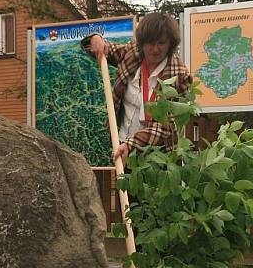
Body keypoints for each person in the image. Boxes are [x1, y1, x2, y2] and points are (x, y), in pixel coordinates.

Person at [81, 12, 192, 165]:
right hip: (122, 147)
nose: (155, 49)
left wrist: (131, 144)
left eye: (161, 43)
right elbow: (108, 50)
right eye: (150, 43)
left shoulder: (180, 77)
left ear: (170, 44)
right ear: (142, 42)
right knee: (124, 187)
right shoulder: (132, 53)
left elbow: (165, 128)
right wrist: (95, 39)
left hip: (158, 159)